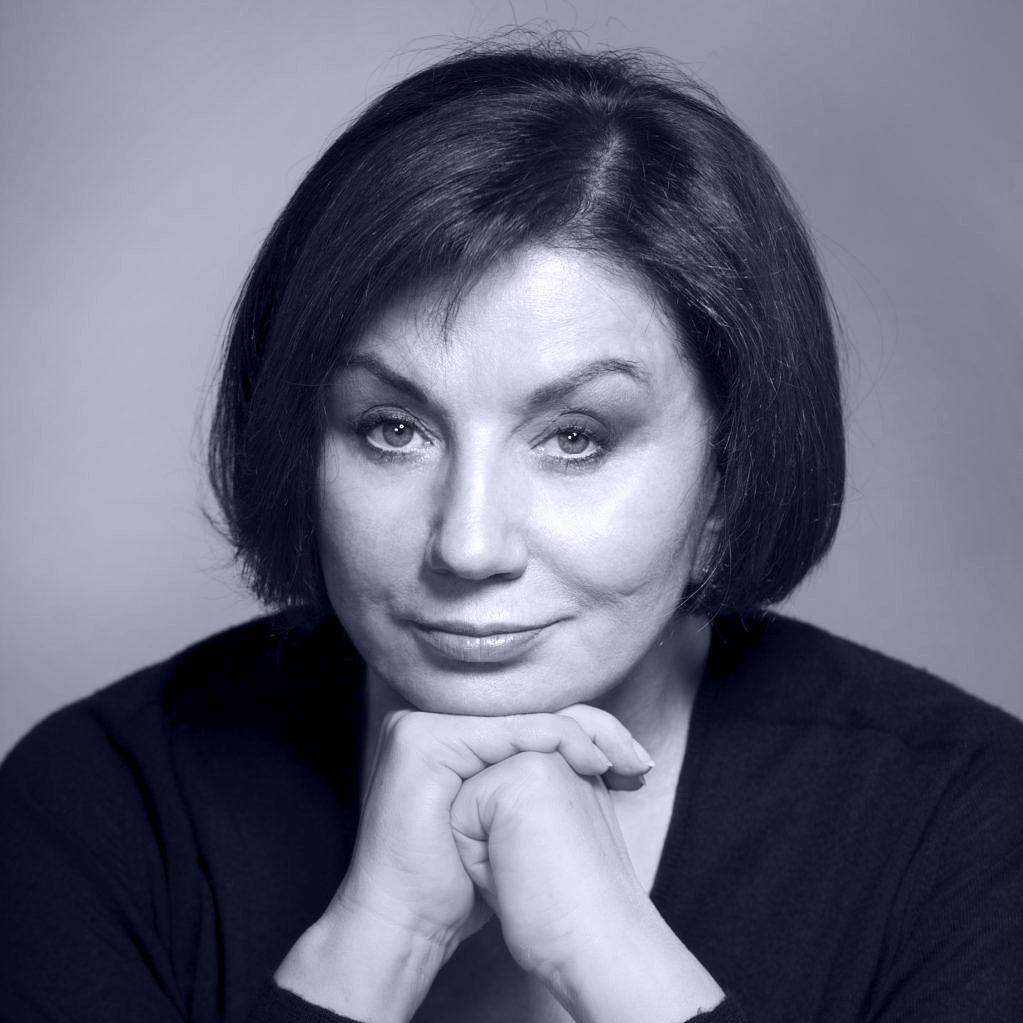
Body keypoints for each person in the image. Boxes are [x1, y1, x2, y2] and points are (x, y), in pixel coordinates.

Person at [2, 39, 1021, 1023]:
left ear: (726, 471)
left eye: (576, 438)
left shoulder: (969, 824)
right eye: (392, 429)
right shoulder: (100, 806)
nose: (468, 545)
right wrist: (375, 944)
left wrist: (612, 960)